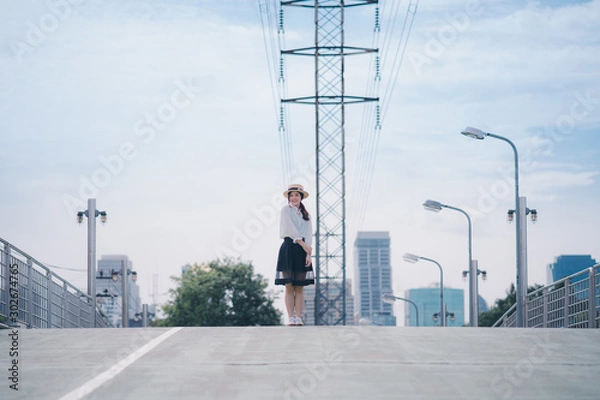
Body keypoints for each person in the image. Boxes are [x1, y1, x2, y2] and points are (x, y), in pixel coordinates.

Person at [275, 184, 314, 326]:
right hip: (289, 248)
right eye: (291, 195)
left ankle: (298, 317)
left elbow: (308, 234)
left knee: (300, 287)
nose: (293, 198)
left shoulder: (307, 215)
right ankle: (291, 317)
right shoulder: (286, 210)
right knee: (289, 285)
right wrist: (303, 245)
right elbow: (290, 229)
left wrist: (308, 254)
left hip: (302, 251)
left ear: (301, 197)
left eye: (296, 195)